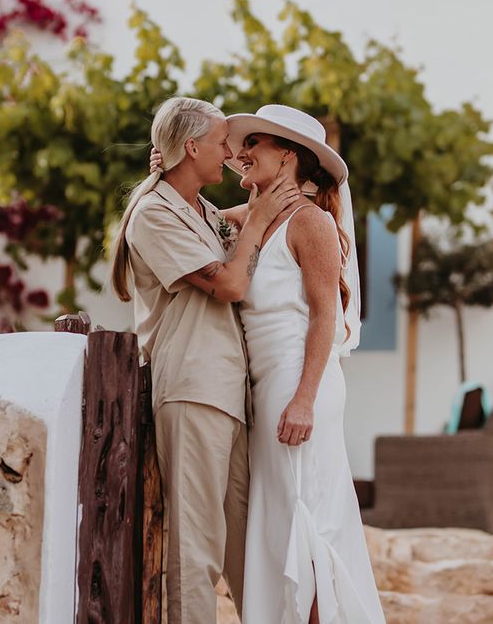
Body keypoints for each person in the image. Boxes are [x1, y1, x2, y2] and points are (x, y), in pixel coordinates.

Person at [150, 104, 385, 623]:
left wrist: (304, 400)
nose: (242, 153)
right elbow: (189, 211)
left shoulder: (312, 224)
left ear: (288, 157)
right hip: (264, 386)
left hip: (301, 384)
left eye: (255, 144)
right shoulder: (254, 219)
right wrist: (162, 167)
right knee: (280, 523)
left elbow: (327, 316)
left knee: (309, 523)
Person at [109, 97, 301, 624]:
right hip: (193, 389)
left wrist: (280, 193)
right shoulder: (154, 214)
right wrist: (260, 216)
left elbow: (239, 223)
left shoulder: (202, 211)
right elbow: (232, 283)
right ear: (191, 147)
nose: (231, 153)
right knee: (197, 543)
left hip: (231, 393)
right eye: (222, 143)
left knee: (245, 541)